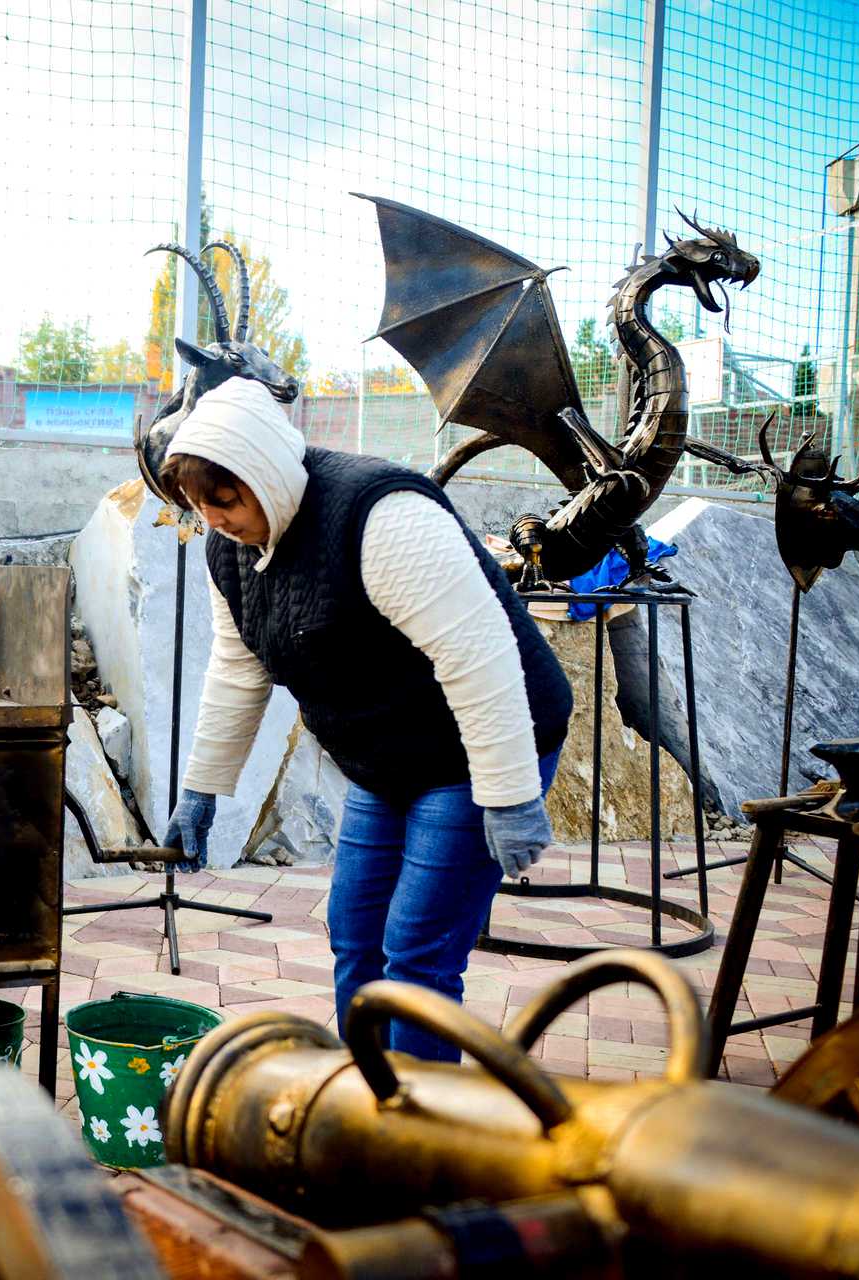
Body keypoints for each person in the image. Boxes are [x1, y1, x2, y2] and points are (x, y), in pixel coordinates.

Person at [156, 376, 571, 1062]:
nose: (213, 518)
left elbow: (480, 655)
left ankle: (423, 1135)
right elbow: (239, 665)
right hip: (384, 758)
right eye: (200, 505)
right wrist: (202, 789)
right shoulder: (227, 547)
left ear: (263, 471)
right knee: (356, 935)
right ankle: (366, 1108)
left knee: (417, 951)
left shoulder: (380, 514)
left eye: (224, 500)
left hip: (477, 750)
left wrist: (510, 794)